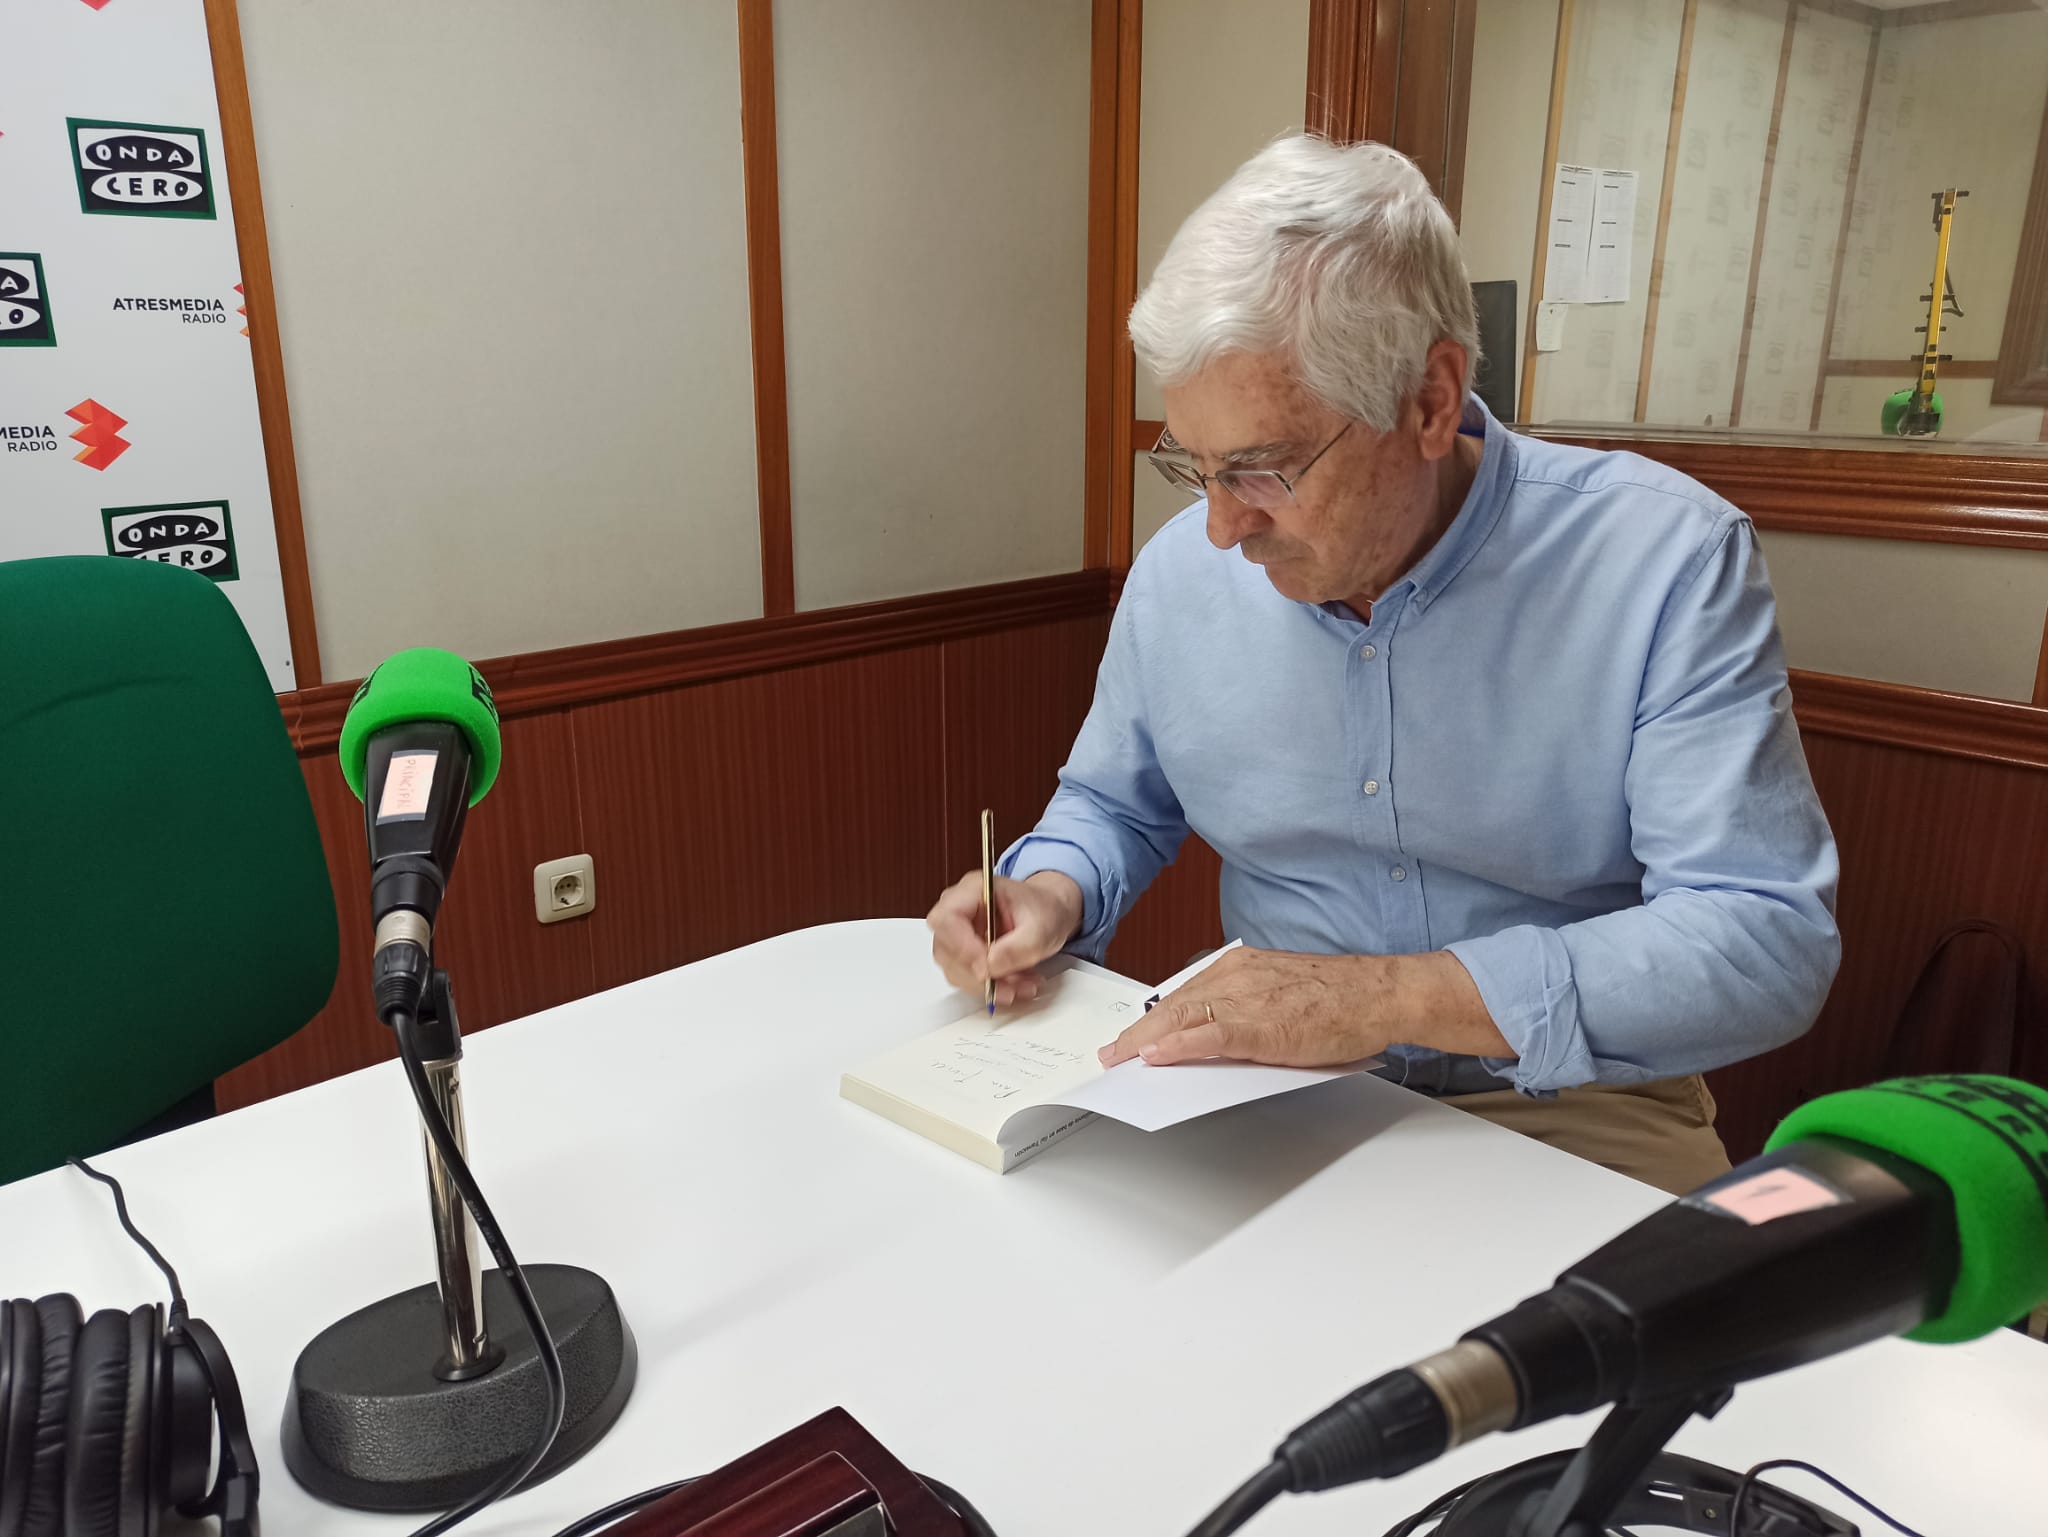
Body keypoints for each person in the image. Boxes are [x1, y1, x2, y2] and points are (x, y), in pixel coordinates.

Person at [926, 136, 1840, 1195]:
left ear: (1427, 399)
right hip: (1262, 1092)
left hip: (1572, 1102)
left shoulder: (1662, 561)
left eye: (1261, 469)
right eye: (1192, 466)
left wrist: (1382, 1000)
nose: (1219, 527)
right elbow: (1111, 804)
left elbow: (1759, 940)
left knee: (1635, 1353)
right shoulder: (1183, 574)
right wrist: (1048, 888)